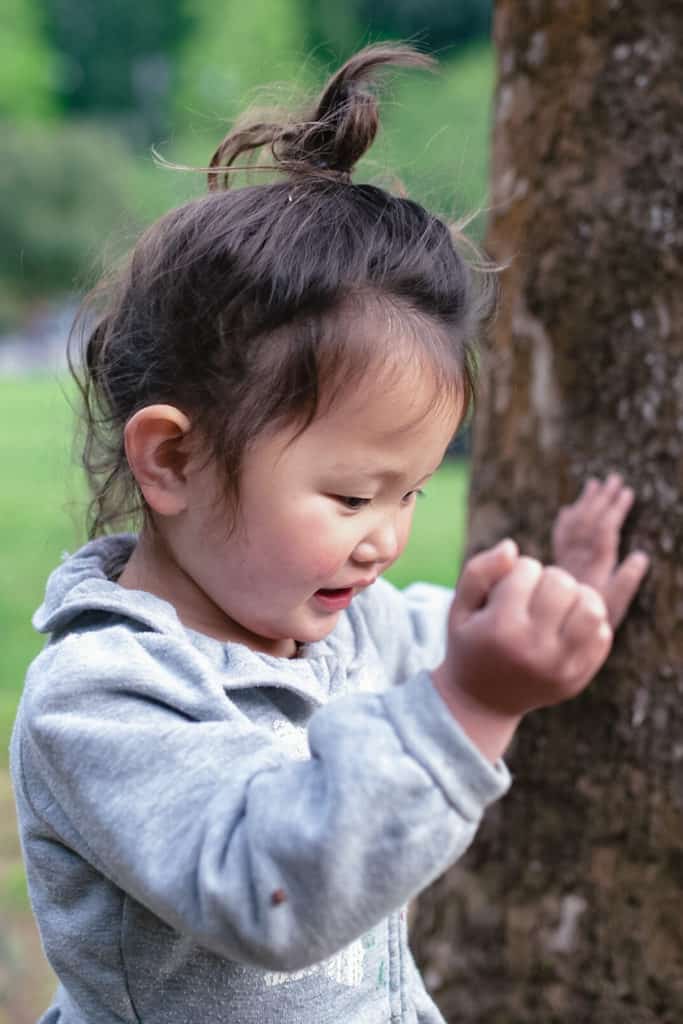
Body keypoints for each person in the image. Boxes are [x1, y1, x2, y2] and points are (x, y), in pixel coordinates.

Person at [11, 45, 649, 1024]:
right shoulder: (101, 699)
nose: (385, 538)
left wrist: (550, 606)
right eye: (352, 497)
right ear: (172, 461)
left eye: (411, 494)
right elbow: (269, 890)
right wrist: (472, 705)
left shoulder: (328, 622)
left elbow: (436, 635)